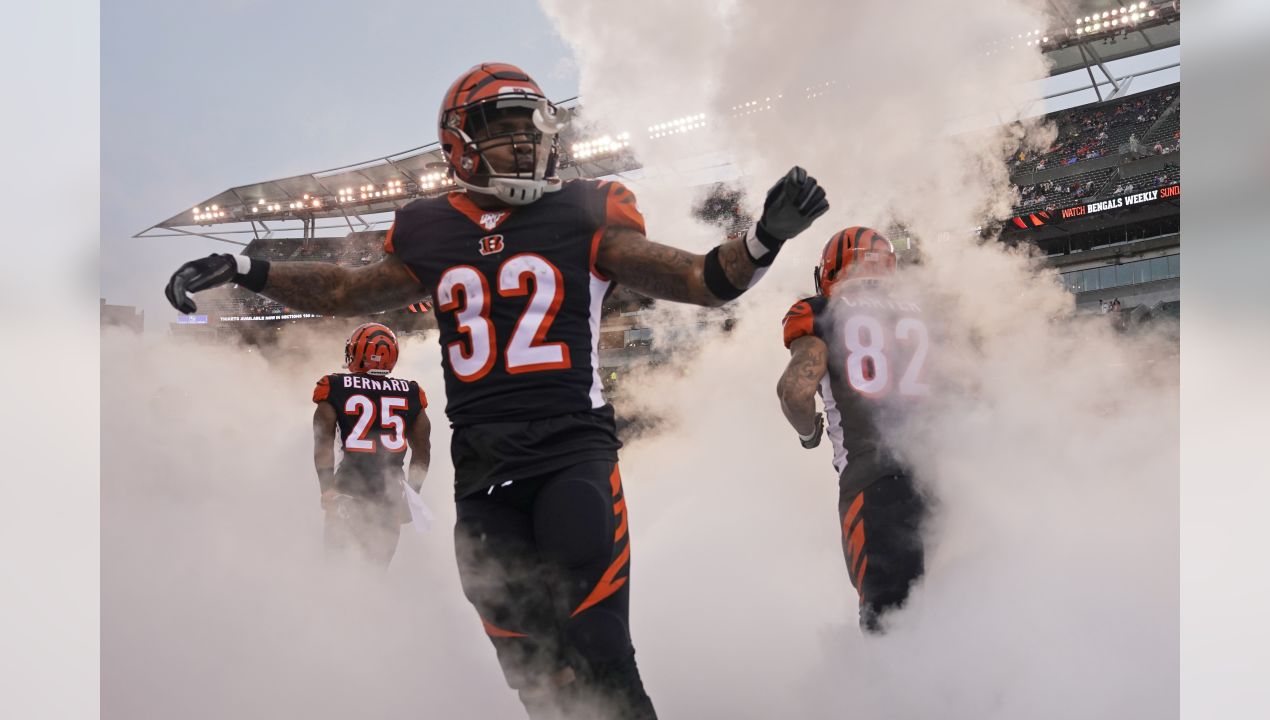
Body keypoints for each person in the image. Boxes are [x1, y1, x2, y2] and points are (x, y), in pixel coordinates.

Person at [165, 62, 828, 719]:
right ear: (458, 142)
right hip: (484, 475)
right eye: (503, 128)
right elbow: (344, 290)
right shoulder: (430, 228)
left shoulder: (586, 210)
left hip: (572, 456)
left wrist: (764, 237)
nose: (522, 140)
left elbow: (702, 282)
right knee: (534, 673)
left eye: (531, 126)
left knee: (598, 647)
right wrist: (247, 267)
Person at [775, 227, 930, 634]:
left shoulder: (821, 312)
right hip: (943, 470)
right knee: (942, 608)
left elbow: (793, 393)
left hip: (875, 480)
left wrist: (809, 435)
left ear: (827, 271)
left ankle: (894, 695)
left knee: (886, 624)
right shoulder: (929, 310)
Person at [312, 322, 431, 568]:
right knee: (376, 575)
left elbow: (322, 442)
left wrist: (326, 488)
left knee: (335, 574)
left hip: (347, 492)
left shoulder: (334, 386)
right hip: (389, 498)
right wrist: (413, 494)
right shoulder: (411, 392)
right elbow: (422, 452)